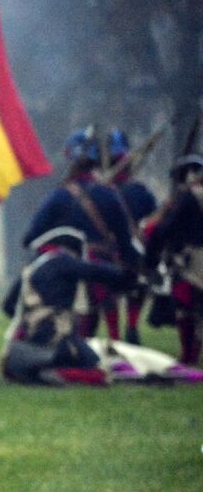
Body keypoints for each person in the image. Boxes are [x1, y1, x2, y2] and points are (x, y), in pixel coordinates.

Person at [23, 130, 139, 340]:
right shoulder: (109, 194)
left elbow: (31, 237)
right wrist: (130, 271)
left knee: (77, 332)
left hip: (69, 273)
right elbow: (124, 242)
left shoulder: (59, 196)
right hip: (103, 269)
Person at [2, 226, 139, 385]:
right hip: (55, 336)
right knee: (98, 372)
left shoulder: (32, 268)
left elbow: (8, 306)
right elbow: (96, 271)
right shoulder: (62, 261)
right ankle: (52, 374)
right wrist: (129, 275)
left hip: (24, 340)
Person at [144, 153, 203, 365]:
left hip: (193, 261)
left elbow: (164, 230)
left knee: (185, 308)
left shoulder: (190, 197)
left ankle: (189, 355)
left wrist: (151, 259)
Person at [103, 129, 157, 345]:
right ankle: (132, 328)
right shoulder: (141, 191)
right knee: (135, 292)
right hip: (134, 253)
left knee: (109, 295)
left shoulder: (99, 191)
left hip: (110, 253)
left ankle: (117, 337)